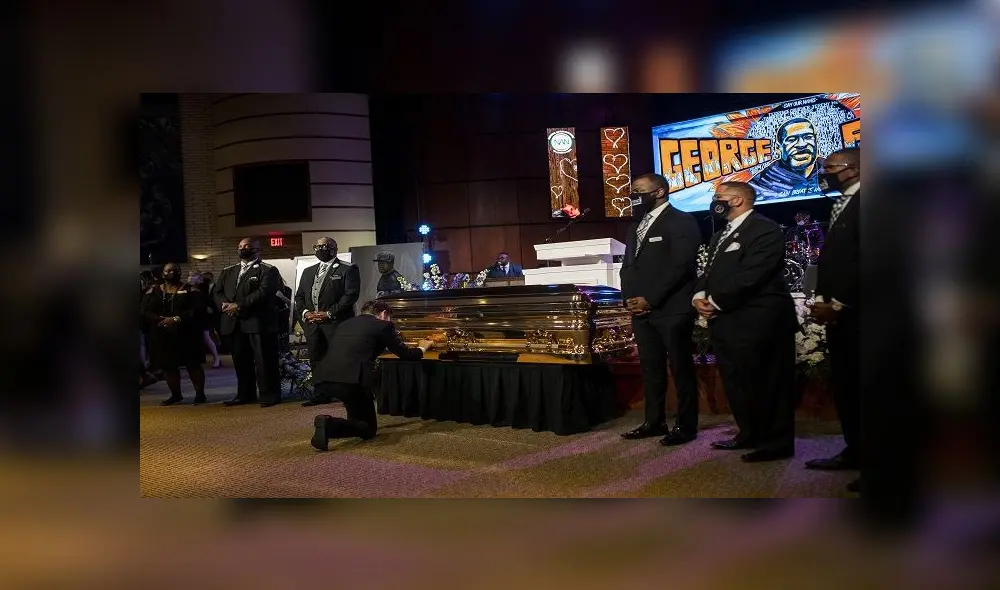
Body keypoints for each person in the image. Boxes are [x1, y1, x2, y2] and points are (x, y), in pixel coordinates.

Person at [693, 181, 798, 462]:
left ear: (737, 200)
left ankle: (776, 443)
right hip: (726, 321)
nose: (714, 201)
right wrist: (700, 295)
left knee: (766, 381)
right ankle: (749, 433)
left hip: (760, 319)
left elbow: (754, 273)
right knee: (736, 381)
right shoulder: (720, 235)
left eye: (718, 197)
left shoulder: (764, 228)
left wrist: (715, 301)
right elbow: (709, 271)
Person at [618, 173, 702, 446]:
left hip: (671, 308)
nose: (633, 197)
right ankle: (654, 422)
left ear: (660, 192)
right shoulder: (636, 226)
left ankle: (686, 426)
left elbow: (681, 266)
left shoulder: (682, 221)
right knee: (651, 369)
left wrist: (650, 298)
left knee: (681, 368)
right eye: (632, 191)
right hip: (640, 311)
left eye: (638, 191)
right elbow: (628, 266)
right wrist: (629, 298)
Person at [806, 147, 861, 492]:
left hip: (864, 313)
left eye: (829, 167)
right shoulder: (843, 204)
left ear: (853, 168)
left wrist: (840, 302)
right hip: (841, 317)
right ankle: (856, 450)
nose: (822, 173)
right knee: (848, 389)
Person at [309, 300, 434, 449]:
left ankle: (333, 426)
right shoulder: (383, 325)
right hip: (353, 381)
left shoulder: (345, 324)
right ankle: (329, 424)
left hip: (325, 378)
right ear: (384, 313)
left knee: (356, 413)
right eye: (389, 317)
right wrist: (423, 347)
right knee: (368, 429)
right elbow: (406, 353)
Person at [214, 238, 283, 407]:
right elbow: (217, 291)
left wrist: (238, 305)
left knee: (264, 361)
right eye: (240, 246)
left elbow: (264, 292)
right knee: (240, 361)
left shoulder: (268, 270)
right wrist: (224, 305)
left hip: (258, 322)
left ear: (257, 250)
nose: (243, 248)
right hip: (234, 323)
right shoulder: (228, 271)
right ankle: (245, 394)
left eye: (248, 246)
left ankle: (269, 395)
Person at [295, 237, 361, 406]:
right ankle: (320, 394)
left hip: (336, 323)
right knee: (316, 359)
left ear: (334, 249)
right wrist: (306, 312)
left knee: (340, 358)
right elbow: (300, 296)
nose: (319, 249)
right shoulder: (308, 271)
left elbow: (350, 295)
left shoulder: (348, 269)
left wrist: (329, 313)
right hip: (313, 325)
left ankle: (344, 393)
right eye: (316, 246)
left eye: (323, 246)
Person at [140, 263, 208, 405]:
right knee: (168, 365)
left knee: (192, 364)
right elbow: (144, 309)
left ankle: (200, 394)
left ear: (179, 272)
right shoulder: (154, 290)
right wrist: (159, 319)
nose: (170, 273)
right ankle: (176, 395)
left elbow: (198, 309)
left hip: (186, 333)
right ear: (162, 273)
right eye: (167, 270)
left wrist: (177, 319)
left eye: (173, 270)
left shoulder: (190, 289)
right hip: (162, 333)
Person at [748, 118, 823, 201]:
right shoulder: (759, 185)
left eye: (808, 137)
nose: (801, 144)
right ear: (778, 147)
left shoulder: (832, 169)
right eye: (791, 139)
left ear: (816, 141)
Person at [188, 271, 222, 368]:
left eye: (193, 276)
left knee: (207, 338)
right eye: (189, 275)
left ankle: (216, 358)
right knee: (203, 338)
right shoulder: (189, 288)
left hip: (202, 316)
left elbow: (207, 302)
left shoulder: (202, 288)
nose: (190, 277)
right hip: (194, 316)